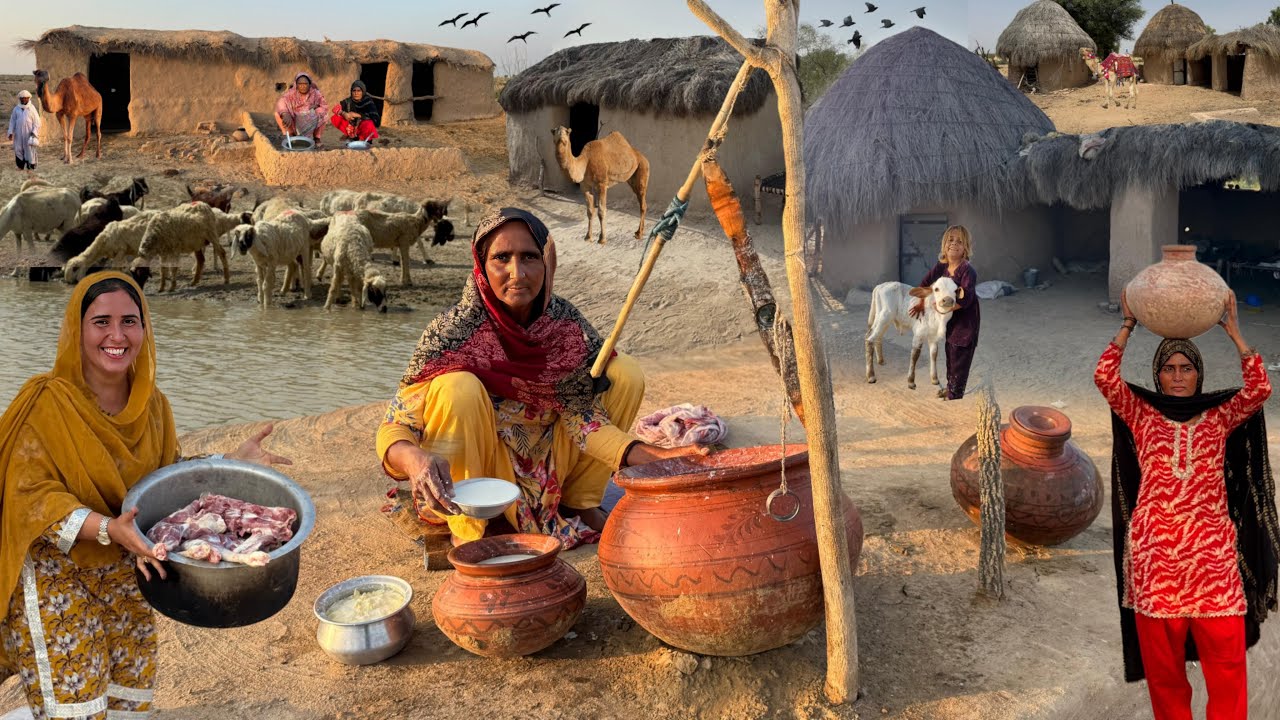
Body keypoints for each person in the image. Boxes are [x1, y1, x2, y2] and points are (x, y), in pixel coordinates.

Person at [0, 272, 291, 719]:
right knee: (74, 707)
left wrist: (230, 462)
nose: (117, 336)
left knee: (127, 702)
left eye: (129, 321)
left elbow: (164, 481)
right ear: (77, 329)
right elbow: (29, 496)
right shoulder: (46, 403)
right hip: (57, 579)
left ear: (144, 328)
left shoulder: (153, 406)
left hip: (126, 574)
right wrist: (107, 528)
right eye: (101, 322)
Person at [377, 208, 707, 548]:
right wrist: (415, 461)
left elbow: (583, 421)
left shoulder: (564, 326)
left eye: (529, 257)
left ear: (547, 262)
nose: (517, 273)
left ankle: (579, 501)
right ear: (481, 265)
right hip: (476, 470)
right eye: (501, 258)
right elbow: (395, 426)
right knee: (457, 387)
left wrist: (659, 458)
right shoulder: (451, 333)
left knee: (623, 371)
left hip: (547, 467)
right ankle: (469, 524)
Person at [1095, 290, 1275, 720]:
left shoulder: (1219, 417)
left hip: (1213, 560)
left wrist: (1235, 334)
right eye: (1169, 368)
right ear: (1158, 376)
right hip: (1155, 561)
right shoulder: (1141, 414)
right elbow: (1105, 377)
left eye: (1187, 368)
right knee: (1165, 675)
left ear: (1199, 374)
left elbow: (1260, 389)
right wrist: (1128, 325)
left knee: (1228, 669)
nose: (1178, 377)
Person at [909, 224, 980, 399]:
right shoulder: (942, 266)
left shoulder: (967, 271)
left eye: (959, 241)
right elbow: (924, 284)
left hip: (966, 321)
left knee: (960, 355)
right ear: (944, 244)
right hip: (949, 320)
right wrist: (921, 302)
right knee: (950, 351)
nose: (954, 244)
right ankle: (950, 388)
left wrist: (942, 307)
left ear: (966, 248)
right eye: (950, 240)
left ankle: (955, 394)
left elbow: (966, 299)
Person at [274, 72, 326, 148]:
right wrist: (285, 113)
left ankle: (316, 139)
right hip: (294, 121)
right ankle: (291, 135)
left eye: (305, 84)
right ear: (296, 84)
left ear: (309, 84)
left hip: (309, 121)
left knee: (323, 114)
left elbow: (323, 105)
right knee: (278, 113)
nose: (303, 86)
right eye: (300, 84)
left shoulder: (315, 93)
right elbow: (281, 102)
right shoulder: (291, 93)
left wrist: (316, 106)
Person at [7, 89, 40, 172]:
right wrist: (10, 132)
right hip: (18, 134)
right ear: (20, 99)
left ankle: (30, 167)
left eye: (25, 98)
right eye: (22, 98)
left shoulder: (32, 108)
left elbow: (37, 122)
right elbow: (12, 121)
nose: (24, 99)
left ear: (28, 98)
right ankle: (20, 166)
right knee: (18, 149)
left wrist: (34, 132)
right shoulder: (16, 109)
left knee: (29, 150)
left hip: (29, 134)